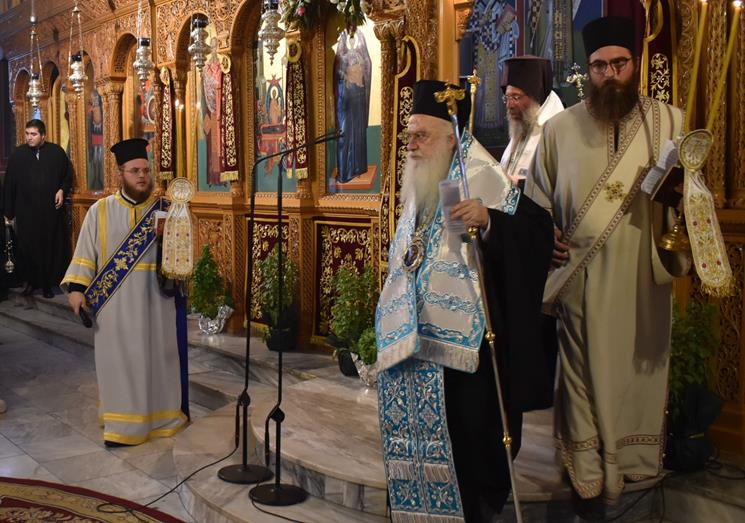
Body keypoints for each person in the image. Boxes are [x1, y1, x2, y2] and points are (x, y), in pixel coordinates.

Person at [525, 16, 689, 512]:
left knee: (636, 371)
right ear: (588, 68)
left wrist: (682, 197)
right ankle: (588, 475)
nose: (610, 75)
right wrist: (544, 237)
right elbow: (534, 205)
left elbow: (691, 200)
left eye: (619, 63)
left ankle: (632, 462)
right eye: (599, 66)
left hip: (641, 280)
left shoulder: (670, 123)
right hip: (582, 279)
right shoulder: (559, 130)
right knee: (579, 374)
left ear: (635, 63)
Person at [376, 80, 554, 522]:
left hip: (467, 360)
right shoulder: (420, 183)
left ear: (451, 138)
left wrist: (490, 220)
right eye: (409, 136)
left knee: (467, 450)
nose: (411, 145)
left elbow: (536, 233)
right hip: (415, 344)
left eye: (422, 136)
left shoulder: (484, 177)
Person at [62, 138, 189, 447]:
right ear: (121, 173)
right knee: (118, 365)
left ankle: (161, 419)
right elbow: (85, 253)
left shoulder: (166, 211)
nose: (142, 176)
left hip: (156, 302)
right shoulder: (100, 211)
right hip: (114, 306)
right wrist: (77, 289)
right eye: (135, 171)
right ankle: (122, 427)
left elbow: (181, 254)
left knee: (159, 361)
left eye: (145, 170)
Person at [3, 119, 72, 298]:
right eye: (27, 134)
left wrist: (62, 190)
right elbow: (10, 184)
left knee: (49, 246)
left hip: (50, 212)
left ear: (43, 136)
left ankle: (48, 284)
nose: (29, 137)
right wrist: (8, 212)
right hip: (26, 212)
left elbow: (67, 176)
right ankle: (30, 284)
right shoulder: (18, 155)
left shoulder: (56, 152)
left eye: (33, 134)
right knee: (27, 248)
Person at [500, 55, 564, 186]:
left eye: (516, 97)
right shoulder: (522, 124)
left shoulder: (557, 131)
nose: (509, 105)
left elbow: (559, 184)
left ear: (536, 96)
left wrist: (518, 184)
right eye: (507, 97)